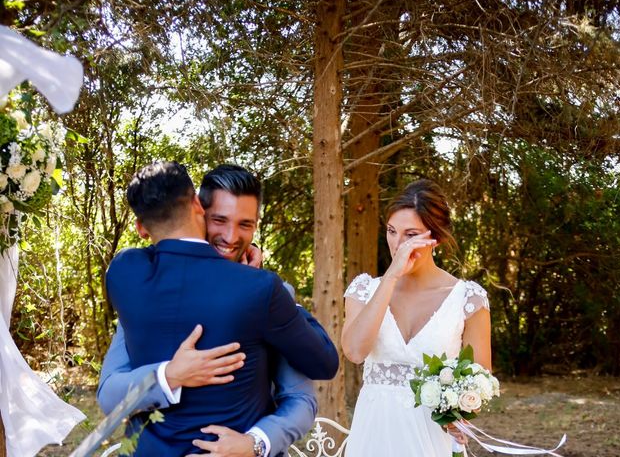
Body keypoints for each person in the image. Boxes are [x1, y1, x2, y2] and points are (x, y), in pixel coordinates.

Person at [106, 161, 339, 455]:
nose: (230, 237)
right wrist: (169, 375)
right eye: (219, 220)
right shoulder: (142, 290)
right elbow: (110, 391)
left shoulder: (127, 272)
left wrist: (255, 442)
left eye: (245, 225)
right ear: (198, 208)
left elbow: (300, 397)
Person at [341, 179, 491, 456]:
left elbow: (479, 382)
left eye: (411, 235)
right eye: (391, 231)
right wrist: (390, 277)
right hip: (372, 434)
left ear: (437, 238)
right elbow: (354, 351)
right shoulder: (364, 290)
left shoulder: (468, 300)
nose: (398, 244)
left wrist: (462, 415)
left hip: (431, 438)